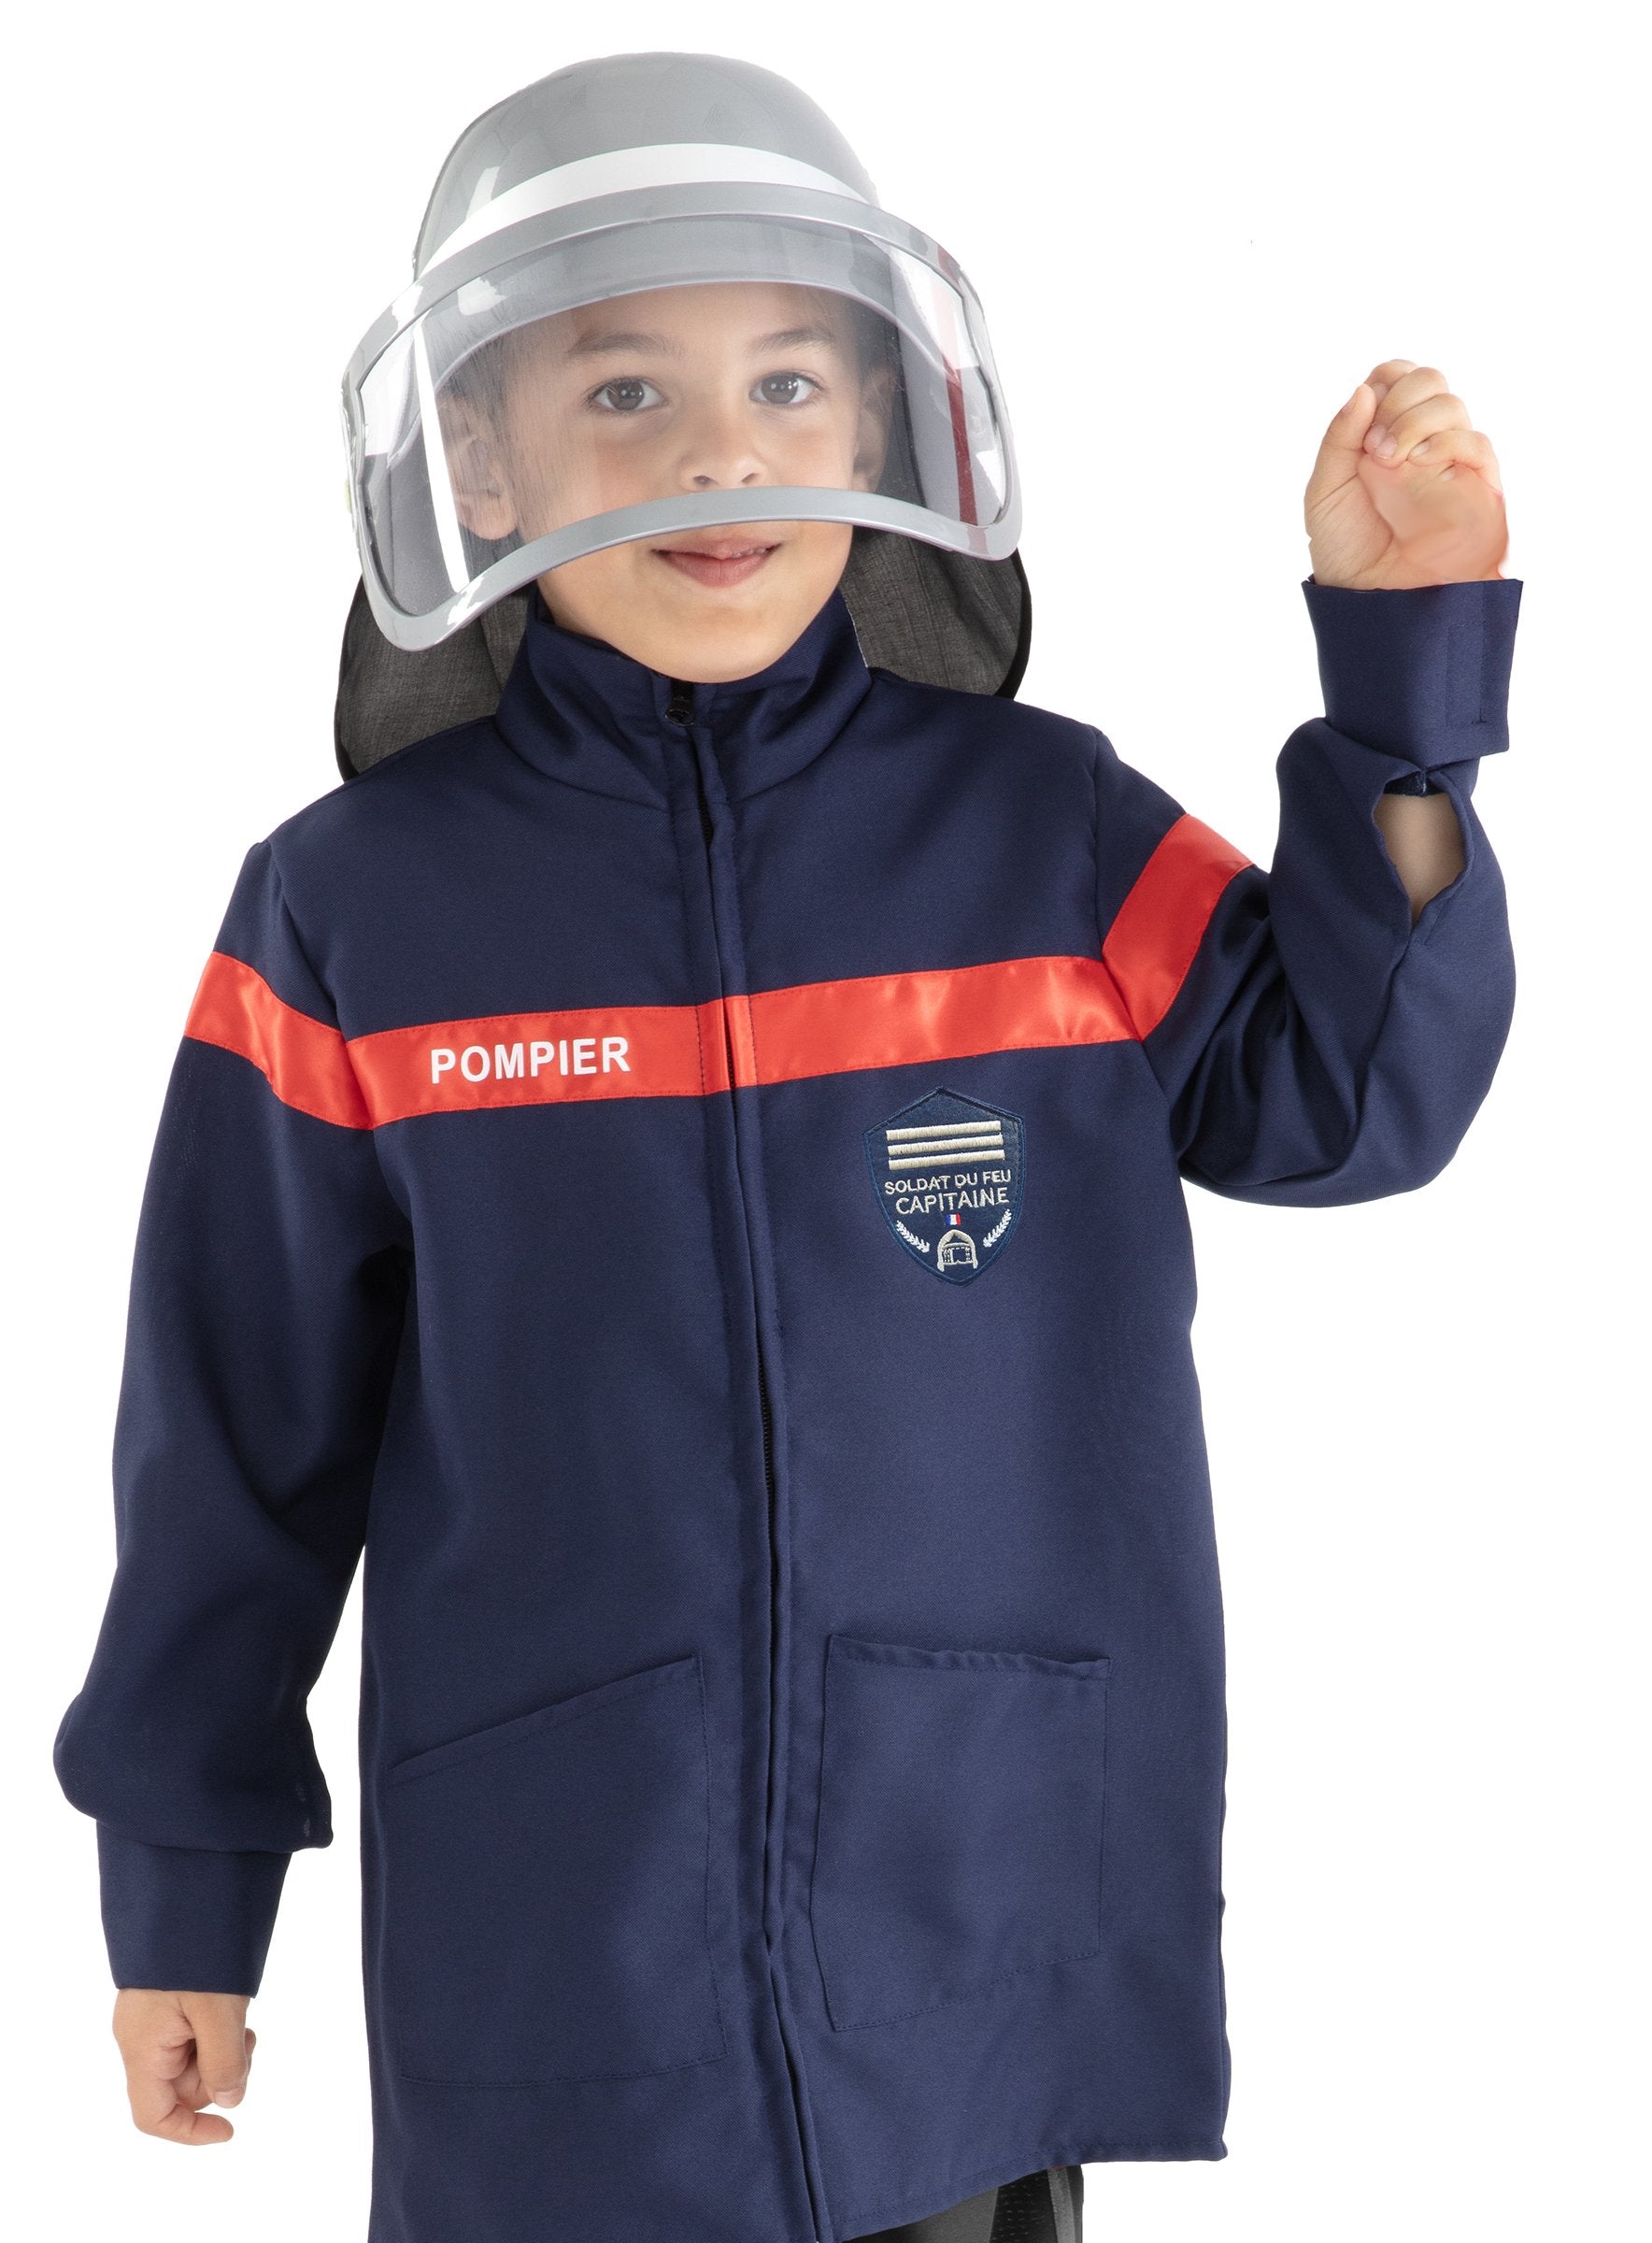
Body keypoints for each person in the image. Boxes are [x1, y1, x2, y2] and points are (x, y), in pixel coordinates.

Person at [52, 50, 1520, 2243]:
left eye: (789, 382)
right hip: (567, 1925)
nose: (721, 454)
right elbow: (232, 1442)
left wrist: (1405, 695)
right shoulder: (351, 917)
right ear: (476, 456)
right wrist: (184, 1886)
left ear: (889, 423)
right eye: (624, 390)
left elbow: (1350, 1100)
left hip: (975, 1908)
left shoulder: (1047, 833)